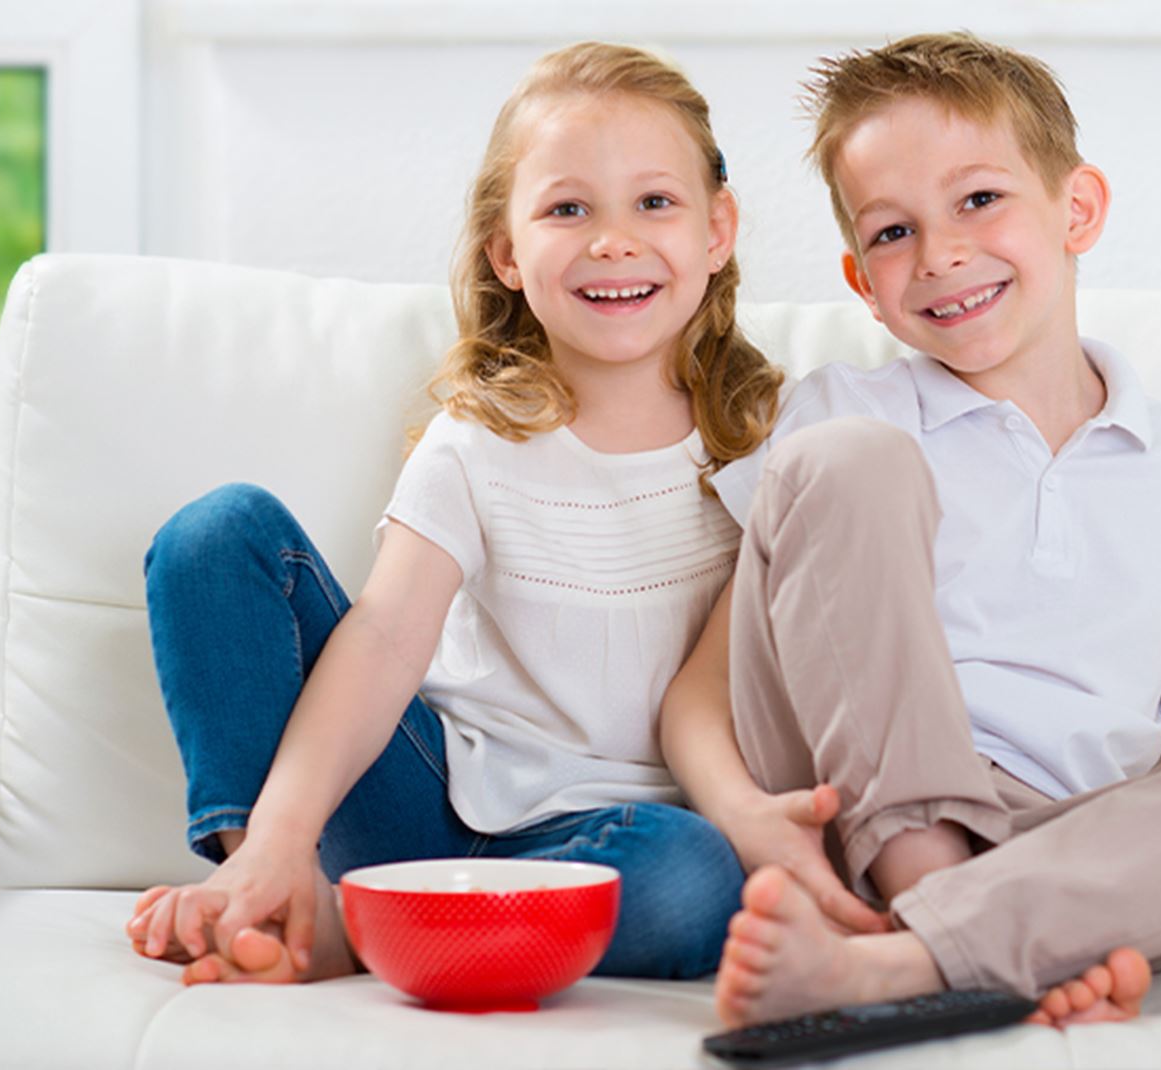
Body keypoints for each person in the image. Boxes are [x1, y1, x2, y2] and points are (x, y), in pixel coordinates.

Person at [657, 32, 1161, 1030]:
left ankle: (917, 956)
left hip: (1068, 847)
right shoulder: (841, 411)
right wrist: (746, 818)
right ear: (863, 282)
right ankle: (936, 914)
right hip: (849, 811)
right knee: (851, 457)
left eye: (978, 199)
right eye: (894, 231)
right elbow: (702, 689)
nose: (941, 253)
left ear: (1076, 210)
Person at [125, 41, 783, 986]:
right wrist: (281, 837)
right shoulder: (476, 441)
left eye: (653, 202)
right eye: (568, 209)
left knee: (691, 880)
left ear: (717, 232)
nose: (613, 240)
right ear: (507, 254)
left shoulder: (768, 441)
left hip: (622, 839)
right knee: (215, 534)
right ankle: (267, 891)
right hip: (428, 803)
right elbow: (385, 639)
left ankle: (359, 933)